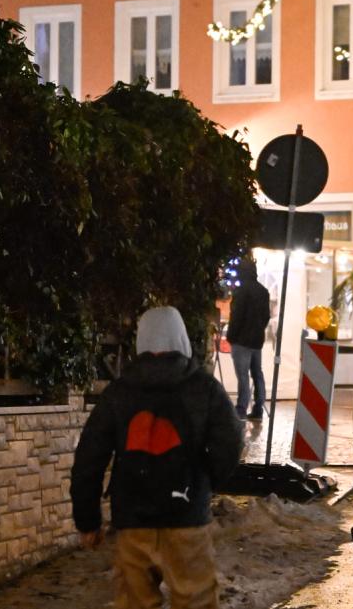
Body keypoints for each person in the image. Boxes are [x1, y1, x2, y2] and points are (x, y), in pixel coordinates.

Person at [71, 306, 243, 609]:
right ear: (182, 340)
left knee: (135, 602)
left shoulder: (118, 392)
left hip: (132, 521)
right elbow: (230, 442)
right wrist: (204, 482)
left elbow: (89, 457)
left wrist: (88, 520)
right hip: (186, 519)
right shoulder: (204, 388)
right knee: (197, 600)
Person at [225, 257, 270, 420]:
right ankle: (259, 407)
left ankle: (241, 408)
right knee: (257, 373)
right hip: (257, 340)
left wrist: (231, 336)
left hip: (241, 340)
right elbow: (266, 316)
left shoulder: (242, 291)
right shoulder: (263, 291)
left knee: (243, 375)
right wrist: (259, 330)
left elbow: (236, 316)